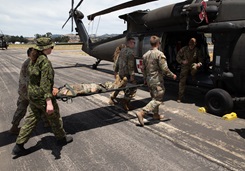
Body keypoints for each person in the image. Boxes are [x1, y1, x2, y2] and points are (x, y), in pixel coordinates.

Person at [12, 37, 73, 156]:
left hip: (32, 95)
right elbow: (45, 83)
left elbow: (31, 80)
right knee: (55, 117)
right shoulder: (45, 62)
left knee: (31, 119)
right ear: (45, 48)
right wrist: (49, 101)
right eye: (51, 47)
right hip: (42, 96)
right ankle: (61, 139)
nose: (52, 49)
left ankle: (19, 145)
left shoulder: (32, 59)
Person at [136, 35, 177, 127]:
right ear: (158, 43)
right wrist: (172, 75)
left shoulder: (145, 55)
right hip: (157, 80)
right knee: (158, 98)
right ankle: (142, 112)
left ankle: (155, 115)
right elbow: (165, 69)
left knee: (154, 98)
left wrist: (145, 78)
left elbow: (143, 69)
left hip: (149, 80)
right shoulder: (159, 54)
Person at [9, 48, 49, 135]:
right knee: (43, 105)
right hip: (30, 90)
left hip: (23, 90)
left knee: (21, 108)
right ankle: (46, 123)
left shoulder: (27, 62)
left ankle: (14, 127)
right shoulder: (33, 63)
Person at [108, 37, 137, 111]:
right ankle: (125, 102)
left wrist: (116, 71)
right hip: (127, 75)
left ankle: (115, 98)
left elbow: (117, 62)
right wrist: (132, 76)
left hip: (121, 73)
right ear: (130, 43)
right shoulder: (130, 52)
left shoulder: (122, 51)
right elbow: (131, 66)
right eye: (134, 43)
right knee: (133, 88)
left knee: (121, 87)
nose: (134, 44)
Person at [176, 38, 203, 103]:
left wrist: (199, 64)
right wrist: (182, 61)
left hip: (192, 65)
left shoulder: (197, 50)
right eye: (190, 44)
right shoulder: (184, 49)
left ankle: (192, 75)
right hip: (185, 65)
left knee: (194, 68)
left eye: (192, 45)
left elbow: (200, 60)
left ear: (195, 44)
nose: (191, 46)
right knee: (182, 81)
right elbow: (177, 57)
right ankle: (180, 97)